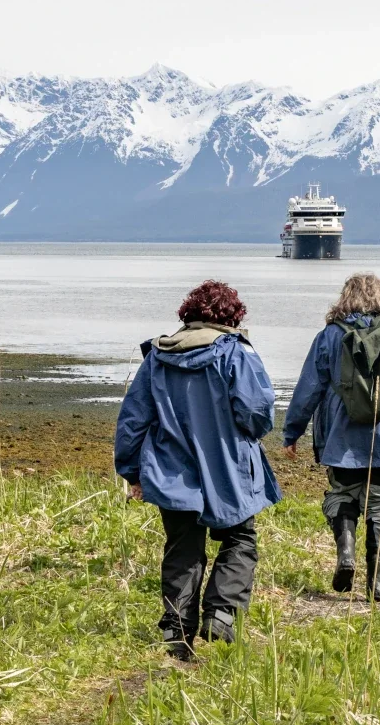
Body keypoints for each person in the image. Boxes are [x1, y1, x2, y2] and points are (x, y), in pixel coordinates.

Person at [114, 279, 280, 660]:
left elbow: (133, 420)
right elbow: (258, 413)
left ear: (188, 314)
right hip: (227, 470)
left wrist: (131, 470)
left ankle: (176, 631)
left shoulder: (158, 356)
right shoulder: (236, 353)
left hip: (171, 473)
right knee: (240, 540)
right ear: (232, 316)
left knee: (182, 549)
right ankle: (221, 613)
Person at [283, 273, 380, 601]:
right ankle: (376, 581)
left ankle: (346, 553)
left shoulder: (330, 336)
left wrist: (292, 431)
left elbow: (308, 388)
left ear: (345, 299)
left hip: (340, 437)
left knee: (342, 496)